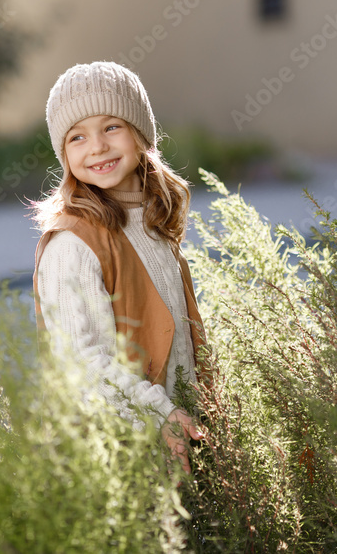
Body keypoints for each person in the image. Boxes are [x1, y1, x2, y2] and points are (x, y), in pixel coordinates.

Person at [31, 60, 209, 473]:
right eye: (77, 136)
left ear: (141, 134)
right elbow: (81, 362)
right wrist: (159, 414)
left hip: (177, 438)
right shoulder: (72, 244)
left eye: (112, 127)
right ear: (64, 154)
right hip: (120, 452)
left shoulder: (152, 222)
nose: (97, 146)